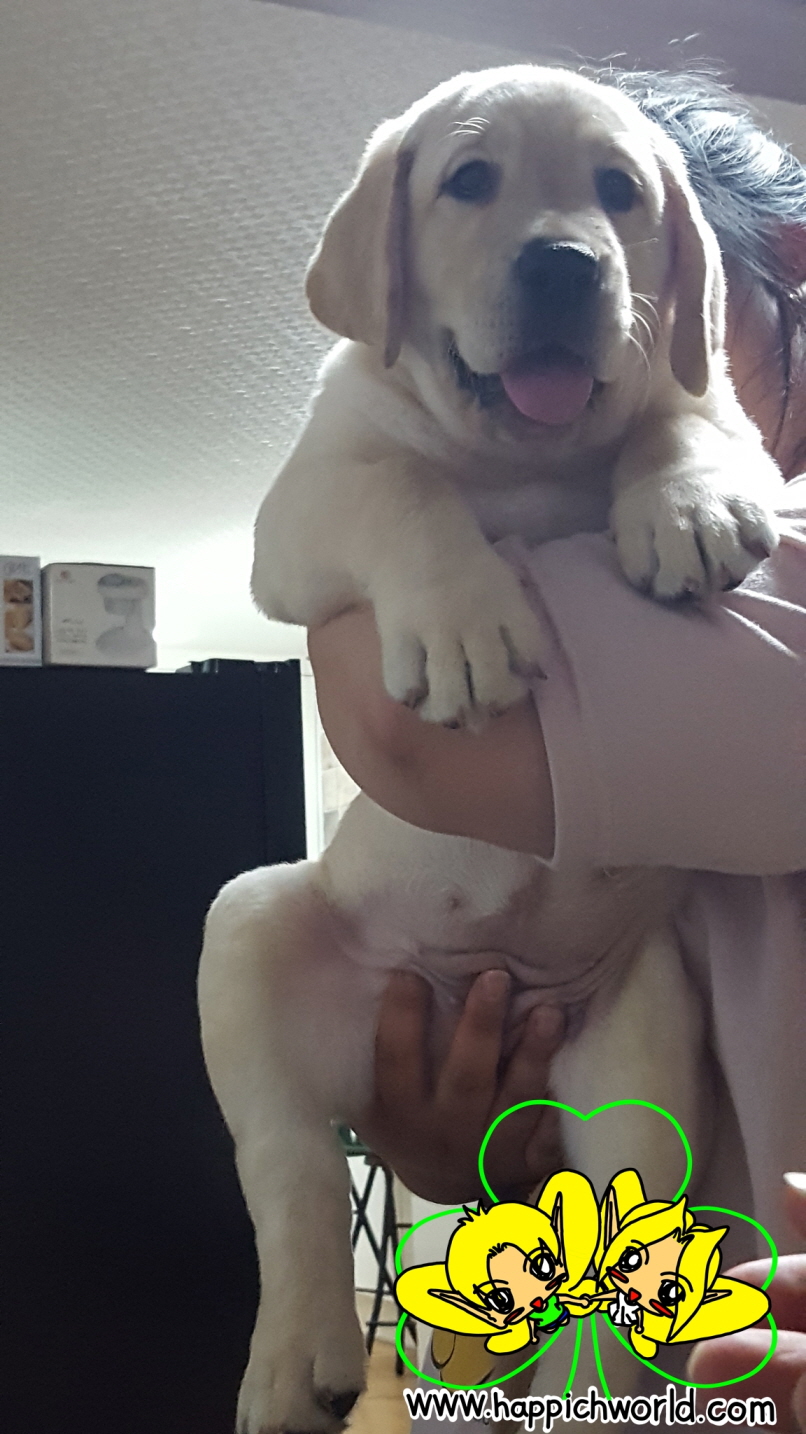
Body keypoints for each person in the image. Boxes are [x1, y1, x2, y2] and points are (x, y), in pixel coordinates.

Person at [307, 69, 806, 1419]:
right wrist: (469, 1145)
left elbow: (394, 713)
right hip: (630, 1350)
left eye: (620, 212)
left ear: (759, 274)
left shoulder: (770, 578)